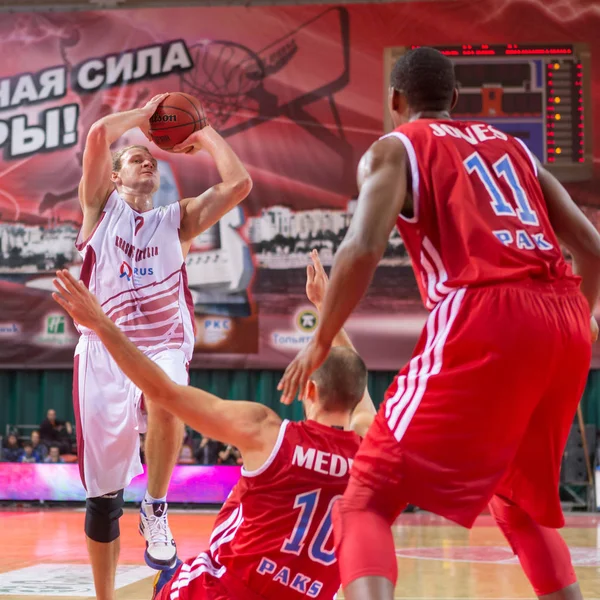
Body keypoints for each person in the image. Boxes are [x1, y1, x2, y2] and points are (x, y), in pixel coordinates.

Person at [278, 47, 600, 600]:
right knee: (518, 502)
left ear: (395, 101)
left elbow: (362, 246)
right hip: (565, 319)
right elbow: (592, 250)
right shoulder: (516, 151)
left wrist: (322, 337)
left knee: (364, 502)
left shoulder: (395, 148)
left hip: (487, 314)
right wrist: (585, 319)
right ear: (454, 99)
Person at [52, 250, 375, 600]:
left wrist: (101, 323)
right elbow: (358, 389)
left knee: (172, 579)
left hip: (221, 591)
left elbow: (163, 392)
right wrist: (326, 310)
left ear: (308, 388)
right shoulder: (370, 453)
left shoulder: (268, 433)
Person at [74, 92, 252, 599]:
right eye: (136, 158)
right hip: (102, 349)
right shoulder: (98, 209)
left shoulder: (178, 219)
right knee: (103, 497)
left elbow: (239, 184)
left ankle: (155, 506)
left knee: (170, 392)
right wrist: (147, 115)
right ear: (114, 178)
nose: (147, 160)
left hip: (163, 340)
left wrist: (203, 132)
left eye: (153, 157)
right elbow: (97, 136)